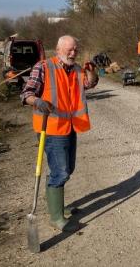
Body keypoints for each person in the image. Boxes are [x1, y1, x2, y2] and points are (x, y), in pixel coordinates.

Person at [20, 35, 98, 233]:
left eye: (75, 50)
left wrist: (91, 72)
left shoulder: (78, 69)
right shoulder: (43, 67)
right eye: (69, 50)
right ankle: (56, 218)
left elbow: (91, 84)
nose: (73, 53)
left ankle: (55, 206)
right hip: (52, 129)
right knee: (61, 172)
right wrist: (37, 101)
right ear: (58, 49)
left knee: (67, 169)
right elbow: (27, 93)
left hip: (71, 127)